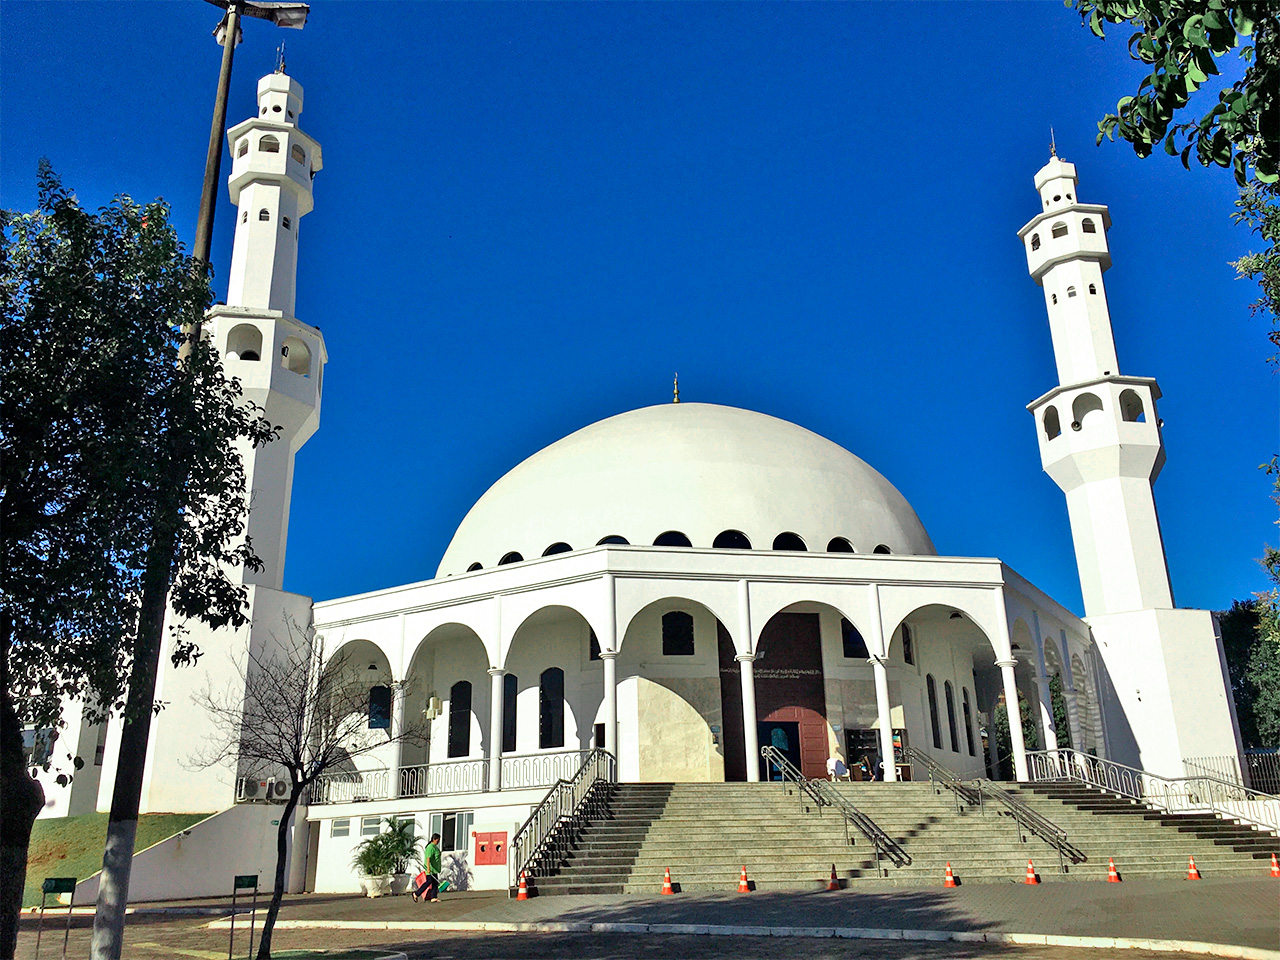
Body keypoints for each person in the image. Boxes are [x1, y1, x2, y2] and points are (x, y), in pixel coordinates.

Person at [412, 834, 442, 902]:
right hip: (430, 869)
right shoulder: (430, 847)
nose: (438, 841)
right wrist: (428, 868)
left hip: (434, 869)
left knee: (435, 883)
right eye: (437, 840)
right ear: (434, 839)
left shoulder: (435, 847)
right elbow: (428, 858)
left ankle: (433, 897)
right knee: (428, 882)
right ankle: (416, 893)